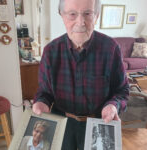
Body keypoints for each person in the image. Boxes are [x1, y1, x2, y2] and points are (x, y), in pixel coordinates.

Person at [32, 0, 129, 149]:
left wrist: (113, 106)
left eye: (87, 14)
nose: (80, 22)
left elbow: (122, 91)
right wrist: (40, 102)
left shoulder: (111, 49)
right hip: (62, 125)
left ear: (96, 16)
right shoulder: (50, 51)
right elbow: (45, 92)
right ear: (62, 16)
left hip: (99, 125)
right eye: (72, 14)